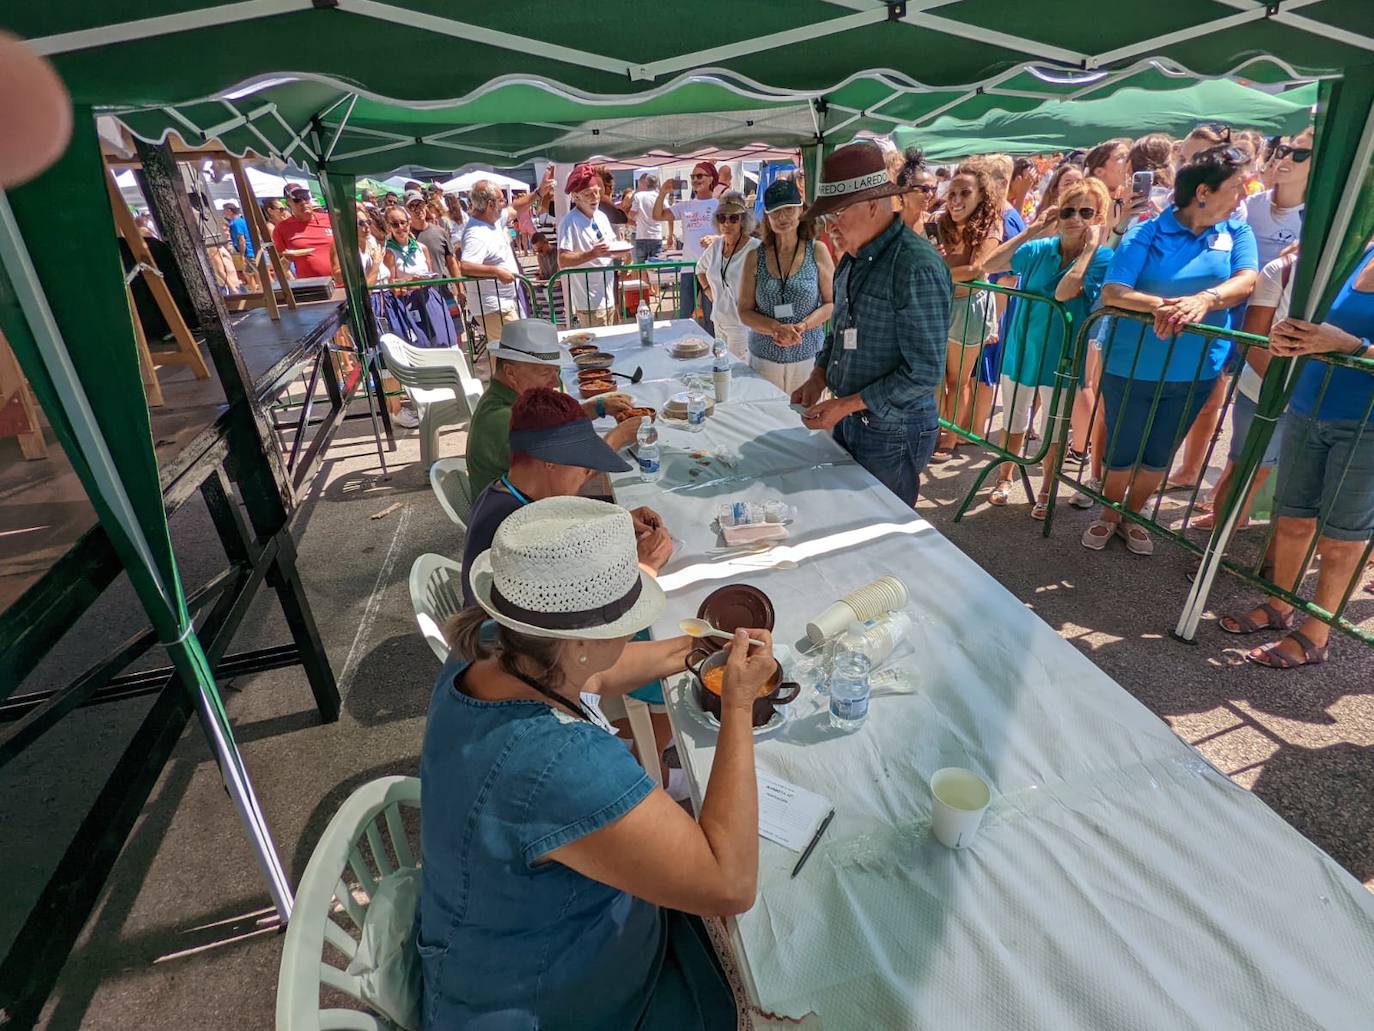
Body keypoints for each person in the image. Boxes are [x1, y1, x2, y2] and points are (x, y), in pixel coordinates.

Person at [420, 496, 768, 1028]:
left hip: (498, 948)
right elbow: (730, 884)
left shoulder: (494, 646)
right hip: (551, 1001)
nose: (633, 630)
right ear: (581, 641)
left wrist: (696, 652)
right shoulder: (559, 762)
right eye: (628, 620)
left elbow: (596, 673)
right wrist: (738, 703)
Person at [1083, 146, 1259, 556]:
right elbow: (1114, 291)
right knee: (1123, 449)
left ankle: (1133, 514)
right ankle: (1108, 515)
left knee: (1161, 450)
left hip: (1196, 367)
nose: (1242, 196)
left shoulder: (1236, 232)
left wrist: (1206, 299)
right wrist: (1168, 307)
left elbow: (1247, 280)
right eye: (1235, 188)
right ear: (1202, 191)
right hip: (1133, 363)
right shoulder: (1148, 230)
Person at [1218, 247, 1374, 669]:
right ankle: (1279, 605)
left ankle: (1315, 635)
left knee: (1342, 539)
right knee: (1292, 519)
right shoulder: (1354, 252)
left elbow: (1346, 340)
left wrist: (1354, 348)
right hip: (1308, 407)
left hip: (1365, 425)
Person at [792, 141, 952, 505]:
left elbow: (925, 372)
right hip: (855, 418)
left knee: (882, 531)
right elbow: (841, 329)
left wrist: (847, 404)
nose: (830, 225)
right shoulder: (852, 257)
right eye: (827, 216)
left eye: (839, 213)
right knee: (849, 517)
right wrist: (819, 377)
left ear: (873, 205)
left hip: (894, 430)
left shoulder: (915, 266)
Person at [1168, 127, 1315, 492]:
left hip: (1276, 327)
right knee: (1211, 400)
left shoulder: (1316, 220)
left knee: (1257, 414)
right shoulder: (1251, 204)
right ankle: (1191, 472)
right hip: (1231, 313)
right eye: (1283, 149)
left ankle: (1229, 500)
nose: (1284, 158)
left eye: (1299, 154)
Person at [977, 177, 1114, 518]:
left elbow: (1064, 293)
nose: (1075, 218)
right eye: (1068, 210)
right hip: (1021, 351)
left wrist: (1088, 250)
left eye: (1086, 211)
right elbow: (990, 265)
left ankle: (1047, 489)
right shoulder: (1040, 248)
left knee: (1054, 430)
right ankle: (1004, 479)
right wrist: (1033, 228)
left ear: (1098, 217)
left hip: (1062, 357)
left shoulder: (1101, 257)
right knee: (1013, 421)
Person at [466, 319, 636, 495]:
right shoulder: (503, 419)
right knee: (627, 489)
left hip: (524, 504)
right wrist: (621, 435)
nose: (555, 382)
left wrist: (597, 407)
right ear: (510, 372)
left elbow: (553, 429)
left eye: (557, 372)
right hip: (520, 516)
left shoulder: (505, 400)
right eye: (545, 372)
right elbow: (574, 475)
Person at [1192, 246, 1295, 532]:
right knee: (1247, 471)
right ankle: (1218, 544)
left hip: (1328, 406)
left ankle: (1276, 565)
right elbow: (1251, 339)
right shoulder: (1283, 268)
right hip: (1266, 394)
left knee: (1305, 485)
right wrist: (1288, 396)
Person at [736, 179, 835, 393]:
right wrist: (775, 328)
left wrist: (803, 326)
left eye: (789, 209)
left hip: (808, 359)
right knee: (764, 421)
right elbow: (744, 311)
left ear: (801, 210)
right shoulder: (755, 257)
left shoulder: (817, 251)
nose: (782, 217)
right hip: (763, 360)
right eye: (775, 212)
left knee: (805, 421)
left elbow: (831, 303)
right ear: (767, 218)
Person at [930, 162, 1001, 457]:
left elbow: (976, 268)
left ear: (981, 195)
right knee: (934, 376)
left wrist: (938, 273)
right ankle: (932, 429)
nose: (957, 200)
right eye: (952, 193)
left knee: (957, 379)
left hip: (969, 308)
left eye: (965, 193)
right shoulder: (938, 223)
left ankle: (950, 436)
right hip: (938, 305)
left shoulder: (991, 224)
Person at [460, 178, 539, 343]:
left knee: (507, 354)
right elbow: (465, 266)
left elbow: (514, 209)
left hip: (505, 302)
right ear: (490, 204)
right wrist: (496, 271)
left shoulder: (493, 219)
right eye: (501, 200)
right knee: (515, 349)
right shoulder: (475, 233)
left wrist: (538, 193)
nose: (504, 204)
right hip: (494, 306)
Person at [695, 192, 761, 360]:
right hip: (718, 321)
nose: (726, 223)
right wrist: (708, 289)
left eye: (733, 218)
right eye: (722, 218)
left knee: (734, 372)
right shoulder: (717, 245)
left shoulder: (755, 248)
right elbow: (699, 268)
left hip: (742, 325)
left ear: (743, 221)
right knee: (720, 367)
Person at [653, 163, 720, 324]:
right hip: (689, 267)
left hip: (711, 268)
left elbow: (736, 233)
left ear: (711, 179)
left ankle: (712, 346)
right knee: (684, 315)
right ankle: (684, 344)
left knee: (712, 316)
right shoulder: (685, 205)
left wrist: (716, 238)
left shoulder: (720, 205)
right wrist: (662, 192)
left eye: (700, 176)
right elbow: (657, 216)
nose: (695, 180)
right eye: (693, 177)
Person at [557, 163, 618, 328]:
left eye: (597, 192)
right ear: (576, 197)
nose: (595, 198)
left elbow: (611, 245)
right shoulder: (569, 222)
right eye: (589, 194)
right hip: (589, 303)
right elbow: (562, 259)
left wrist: (621, 252)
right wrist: (593, 253)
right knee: (599, 350)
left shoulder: (602, 216)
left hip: (609, 296)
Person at [405, 190, 461, 307]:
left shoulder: (440, 232)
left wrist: (460, 289)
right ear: (406, 210)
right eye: (412, 206)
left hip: (444, 291)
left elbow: (452, 262)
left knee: (454, 325)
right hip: (418, 296)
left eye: (420, 204)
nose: (418, 209)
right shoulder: (403, 236)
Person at [271, 186, 339, 282]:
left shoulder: (329, 219)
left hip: (342, 283)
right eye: (297, 199)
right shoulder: (282, 228)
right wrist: (287, 259)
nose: (303, 202)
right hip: (313, 287)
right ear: (288, 203)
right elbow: (278, 267)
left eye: (305, 197)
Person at [891, 146, 938, 232]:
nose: (931, 194)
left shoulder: (931, 223)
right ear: (904, 191)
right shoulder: (887, 225)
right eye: (925, 189)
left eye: (933, 189)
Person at [629, 173, 672, 263]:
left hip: (641, 236)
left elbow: (632, 214)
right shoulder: (660, 197)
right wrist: (670, 235)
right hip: (656, 236)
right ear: (657, 184)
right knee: (655, 268)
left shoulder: (639, 196)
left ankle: (643, 278)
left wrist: (637, 221)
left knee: (641, 267)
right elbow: (670, 216)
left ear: (646, 183)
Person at [223, 202, 259, 292]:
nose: (224, 213)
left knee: (250, 273)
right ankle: (258, 291)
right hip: (252, 249)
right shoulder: (242, 220)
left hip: (247, 252)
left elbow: (241, 239)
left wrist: (242, 255)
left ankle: (257, 291)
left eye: (224, 210)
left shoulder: (235, 223)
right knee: (253, 272)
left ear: (229, 211)